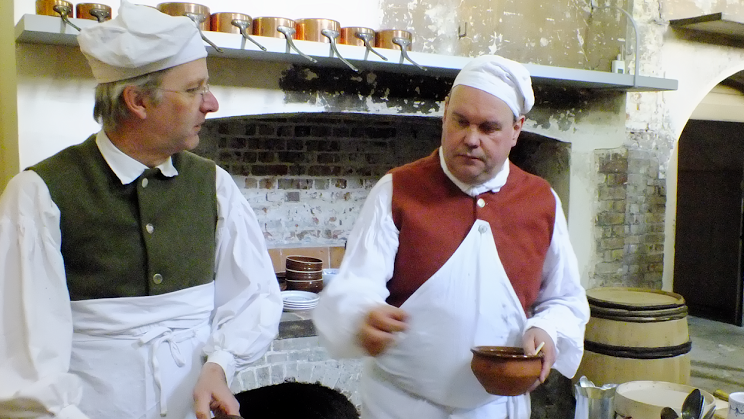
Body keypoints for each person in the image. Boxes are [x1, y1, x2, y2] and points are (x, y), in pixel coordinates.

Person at [0, 2, 282, 419]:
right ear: (137, 101)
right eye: (193, 89)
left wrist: (219, 366)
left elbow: (254, 296)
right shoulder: (39, 195)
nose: (212, 103)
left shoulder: (214, 185)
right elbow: (24, 361)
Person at [312, 55, 590, 419]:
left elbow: (565, 298)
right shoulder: (398, 190)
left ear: (517, 129)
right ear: (445, 114)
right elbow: (354, 286)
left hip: (494, 409)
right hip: (399, 407)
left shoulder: (540, 202)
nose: (470, 139)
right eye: (460, 121)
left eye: (489, 128)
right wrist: (363, 315)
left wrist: (547, 328)